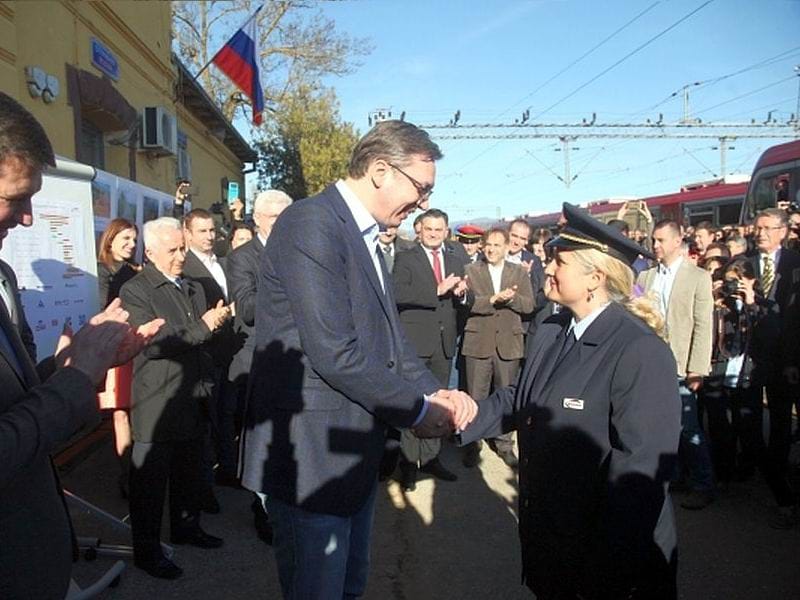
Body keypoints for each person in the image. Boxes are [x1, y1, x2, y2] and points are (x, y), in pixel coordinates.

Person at [239, 120, 477, 600]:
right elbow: (334, 351)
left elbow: (389, 339)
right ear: (380, 169)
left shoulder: (364, 232)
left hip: (349, 453)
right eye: (421, 189)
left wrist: (437, 390)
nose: (424, 204)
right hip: (312, 458)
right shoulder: (312, 223)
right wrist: (418, 411)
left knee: (348, 586)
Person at [459, 203, 681, 599]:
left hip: (606, 562)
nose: (546, 268)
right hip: (555, 545)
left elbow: (640, 478)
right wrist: (459, 415)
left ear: (595, 277)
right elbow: (523, 396)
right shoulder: (552, 327)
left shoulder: (638, 350)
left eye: (558, 261)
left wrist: (603, 579)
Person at [0, 91, 162, 599]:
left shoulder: (3, 276)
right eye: (16, 198)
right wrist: (74, 380)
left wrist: (77, 362)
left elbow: (21, 404)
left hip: (35, 556)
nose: (27, 218)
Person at [120, 217, 230, 579]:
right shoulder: (136, 291)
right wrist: (204, 327)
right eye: (173, 250)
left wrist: (213, 331)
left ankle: (187, 528)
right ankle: (147, 551)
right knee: (150, 486)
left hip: (194, 394)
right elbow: (154, 345)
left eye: (183, 247)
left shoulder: (192, 286)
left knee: (189, 472)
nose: (182, 256)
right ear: (150, 253)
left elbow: (202, 338)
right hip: (157, 402)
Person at [226, 189, 292, 543]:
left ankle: (285, 503)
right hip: (258, 361)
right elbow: (248, 309)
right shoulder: (242, 258)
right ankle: (263, 510)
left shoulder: (301, 252)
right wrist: (292, 287)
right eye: (274, 217)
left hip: (297, 359)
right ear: (257, 220)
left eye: (287, 216)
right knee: (263, 441)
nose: (282, 224)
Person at [392, 208, 472, 491]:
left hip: (443, 341)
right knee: (415, 403)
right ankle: (408, 463)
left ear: (447, 231)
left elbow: (467, 297)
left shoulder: (456, 257)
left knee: (441, 403)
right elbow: (396, 294)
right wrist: (436, 290)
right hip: (416, 342)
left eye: (439, 229)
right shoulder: (405, 258)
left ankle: (431, 459)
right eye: (429, 229)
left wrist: (463, 294)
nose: (434, 234)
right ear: (419, 230)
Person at [638, 220, 714, 510]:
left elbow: (703, 325)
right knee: (661, 426)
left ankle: (704, 483)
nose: (654, 246)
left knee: (688, 427)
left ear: (676, 241)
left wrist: (698, 367)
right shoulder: (645, 278)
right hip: (652, 364)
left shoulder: (698, 277)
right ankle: (676, 476)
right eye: (653, 240)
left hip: (682, 365)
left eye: (659, 240)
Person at [461, 228, 534, 468]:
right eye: (488, 245)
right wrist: (492, 300)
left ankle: (504, 444)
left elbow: (529, 305)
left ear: (506, 247)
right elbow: (466, 303)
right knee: (476, 395)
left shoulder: (519, 273)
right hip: (478, 342)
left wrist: (511, 299)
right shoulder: (470, 271)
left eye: (496, 245)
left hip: (508, 344)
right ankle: (473, 443)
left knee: (506, 394)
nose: (491, 249)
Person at [746, 208, 800, 528]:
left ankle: (781, 487)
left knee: (780, 424)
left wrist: (793, 359)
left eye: (767, 228)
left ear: (783, 231)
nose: (761, 233)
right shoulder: (746, 264)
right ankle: (771, 476)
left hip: (785, 360)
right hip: (752, 358)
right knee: (750, 426)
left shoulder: (795, 265)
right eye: (758, 228)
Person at [181, 208, 239, 503]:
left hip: (227, 353)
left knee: (226, 416)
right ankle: (204, 490)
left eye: (212, 231)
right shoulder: (185, 268)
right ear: (187, 234)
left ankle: (228, 471)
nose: (209, 236)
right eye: (202, 231)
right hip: (204, 356)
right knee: (205, 423)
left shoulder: (224, 263)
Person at [96, 218, 141, 498]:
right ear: (110, 239)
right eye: (125, 238)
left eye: (134, 240)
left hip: (138, 344)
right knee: (121, 412)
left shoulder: (135, 271)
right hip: (117, 348)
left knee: (137, 409)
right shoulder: (102, 272)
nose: (131, 244)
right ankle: (128, 474)